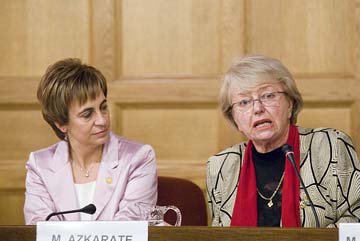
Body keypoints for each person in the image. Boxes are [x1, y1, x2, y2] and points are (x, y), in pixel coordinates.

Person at [206, 55, 360, 227]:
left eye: (268, 95)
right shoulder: (220, 167)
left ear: (290, 105)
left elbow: (356, 220)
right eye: (244, 102)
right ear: (234, 119)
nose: (258, 108)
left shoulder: (330, 146)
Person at [24, 58, 157, 224]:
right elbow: (42, 231)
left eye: (103, 107)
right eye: (87, 114)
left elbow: (128, 230)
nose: (102, 120)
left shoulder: (138, 158)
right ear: (62, 124)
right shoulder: (40, 165)